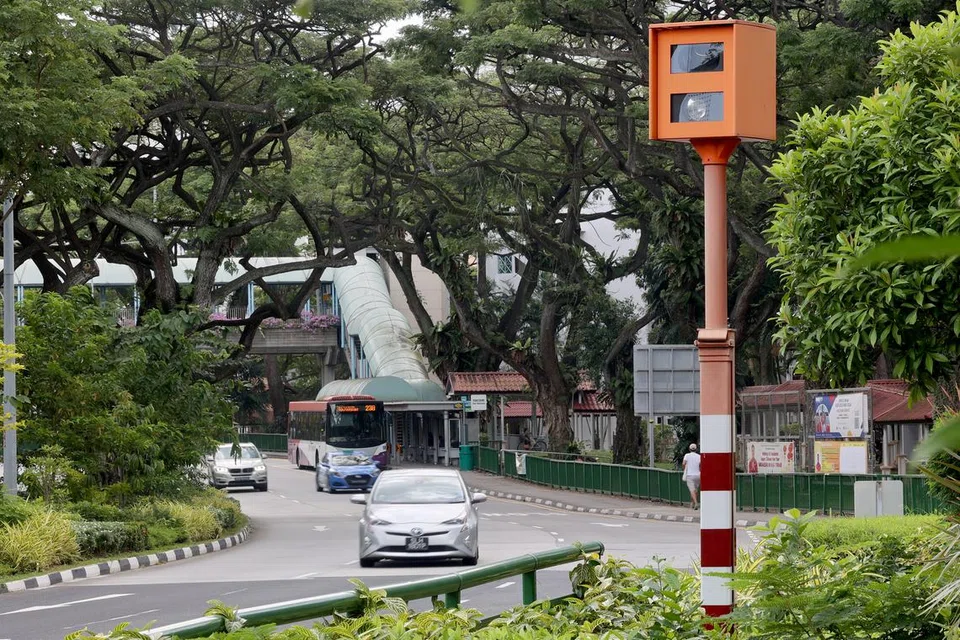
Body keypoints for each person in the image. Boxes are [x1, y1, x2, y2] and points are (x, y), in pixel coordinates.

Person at [682, 443, 701, 509]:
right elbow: (700, 465)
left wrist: (685, 470)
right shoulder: (699, 456)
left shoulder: (687, 455)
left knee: (692, 490)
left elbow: (683, 463)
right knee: (695, 490)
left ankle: (696, 503)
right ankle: (692, 503)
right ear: (696, 449)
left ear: (689, 449)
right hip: (698, 475)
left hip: (690, 475)